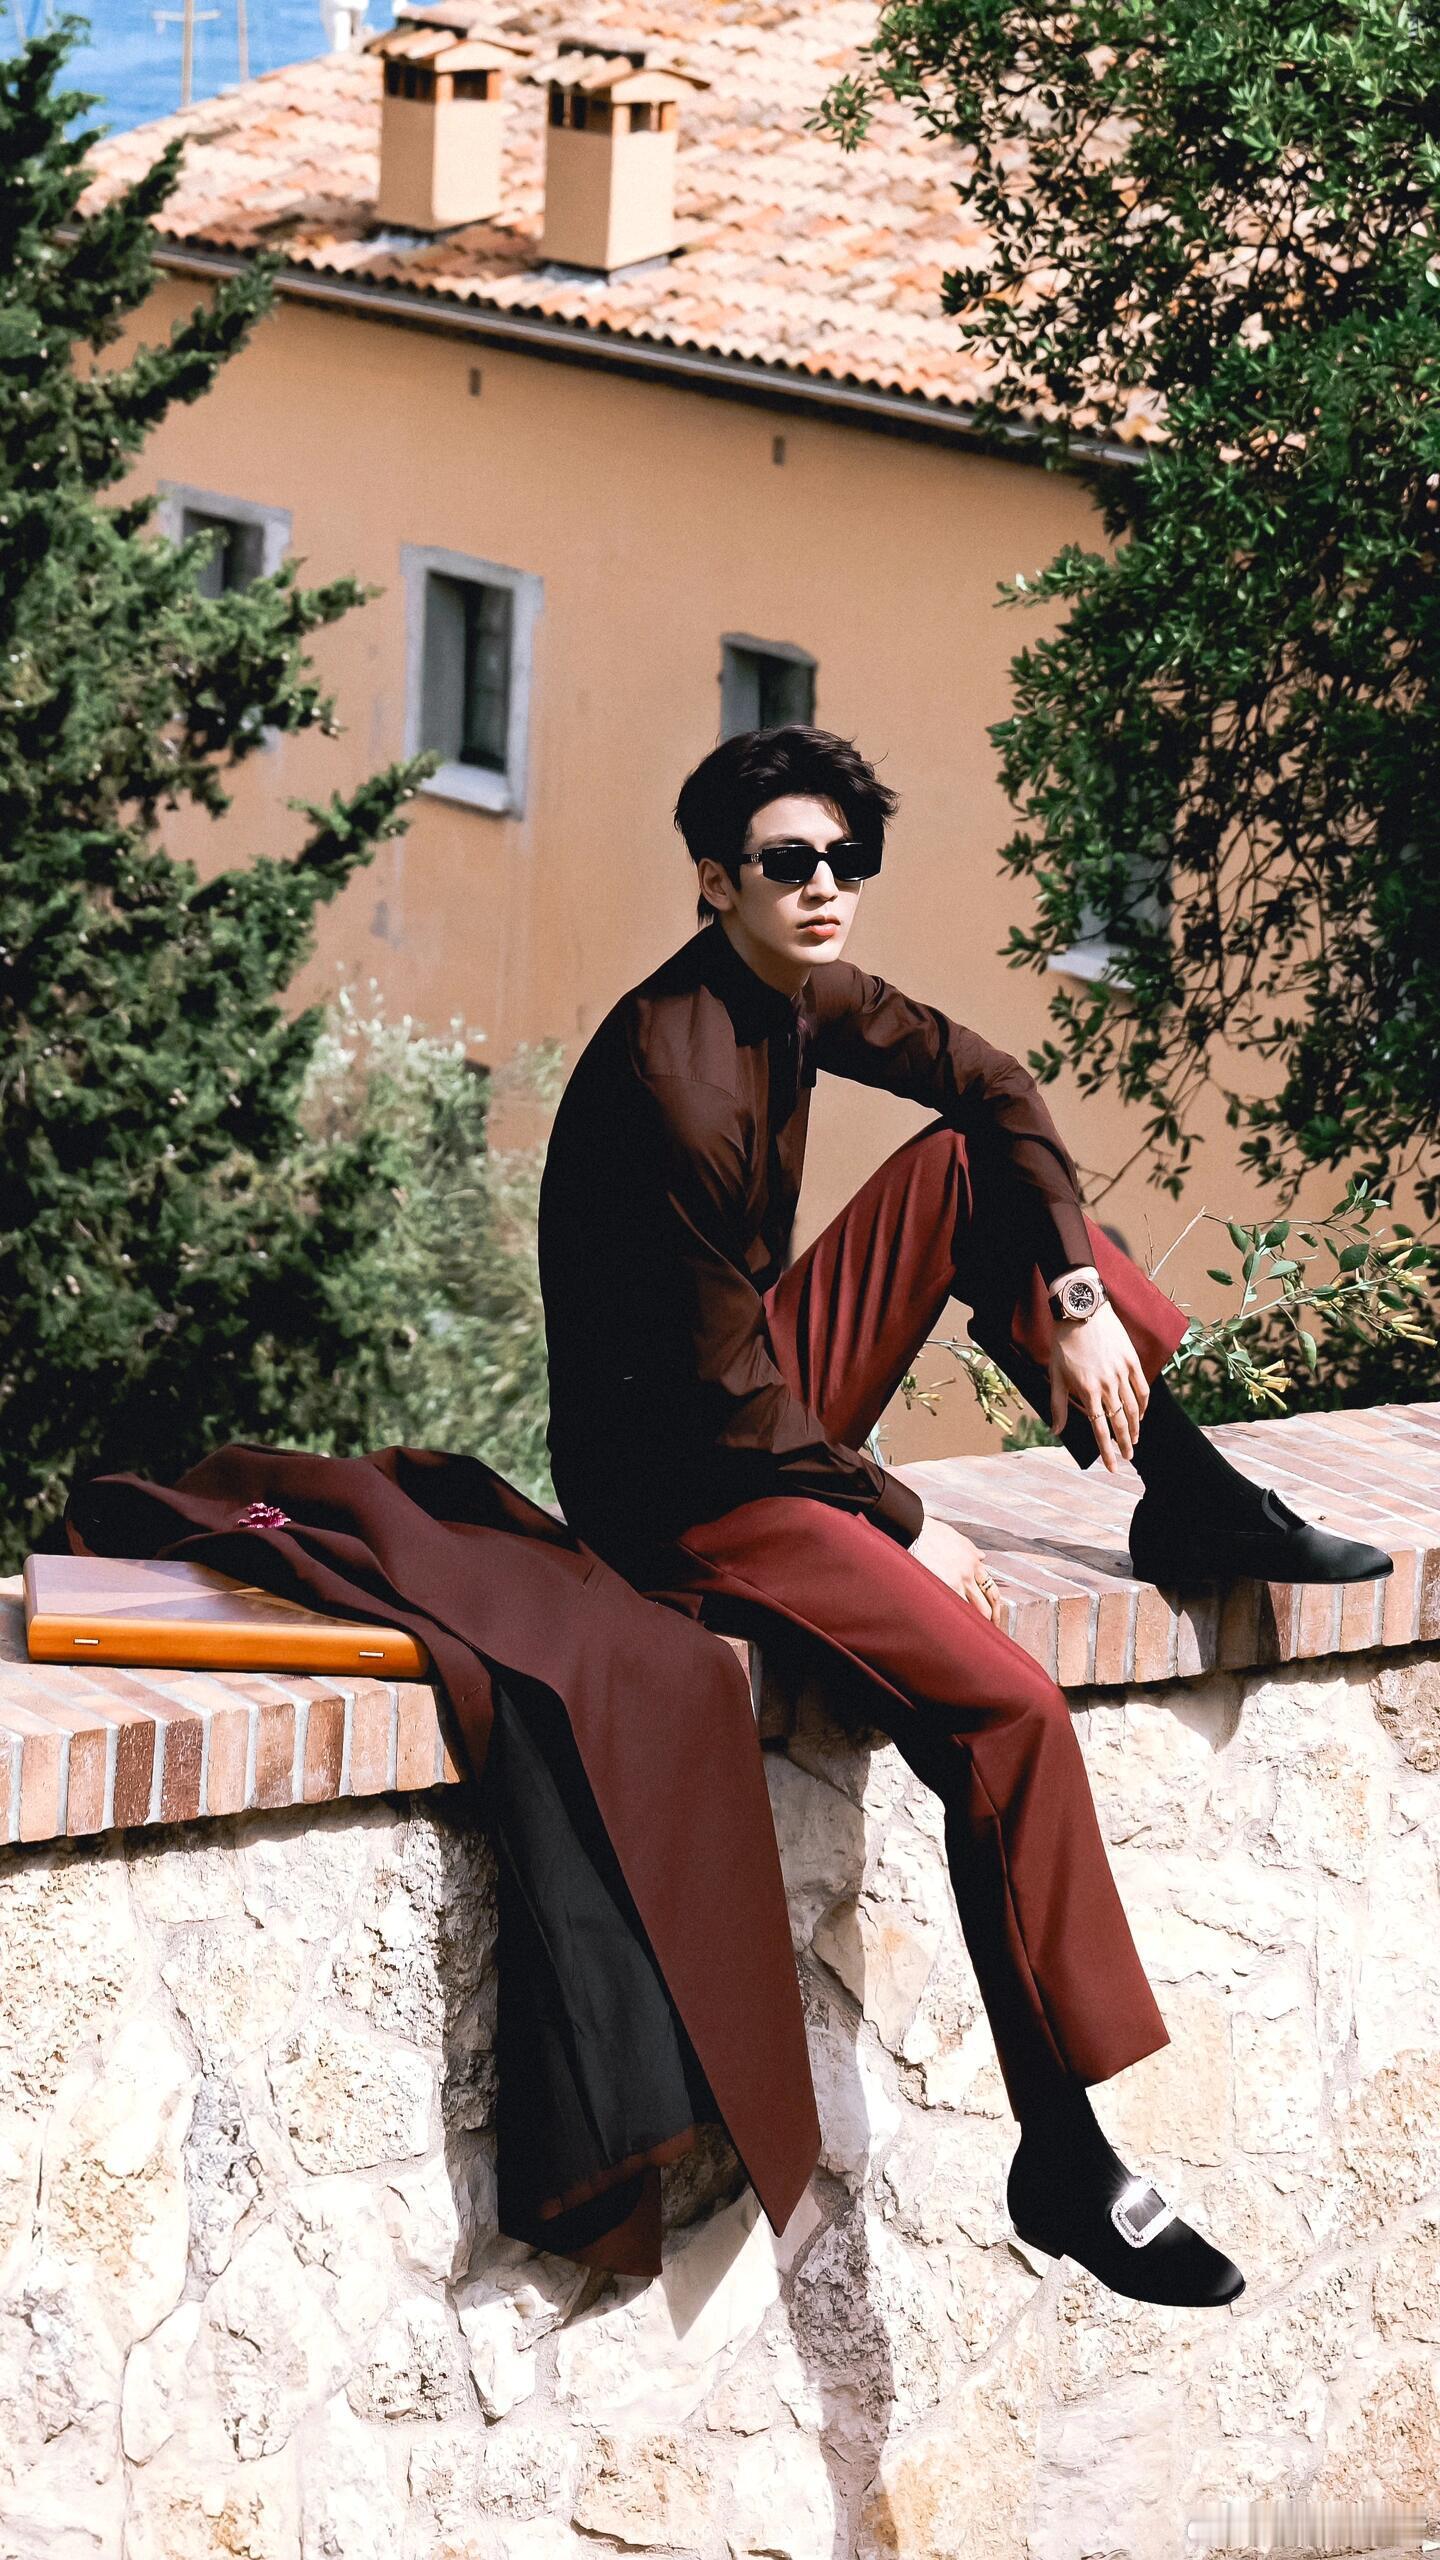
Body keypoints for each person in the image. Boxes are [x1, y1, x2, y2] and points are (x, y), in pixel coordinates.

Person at [536, 725, 1392, 2308]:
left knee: (965, 1171)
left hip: (753, 1405)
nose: (825, 888)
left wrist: (1076, 1296)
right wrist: (905, 1516)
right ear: (716, 881)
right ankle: (1064, 2152)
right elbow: (723, 1403)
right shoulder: (677, 1080)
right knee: (1008, 1714)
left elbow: (994, 1083)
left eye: (845, 862)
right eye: (787, 863)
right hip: (688, 1492)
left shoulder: (797, 991)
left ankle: (1189, 1495)